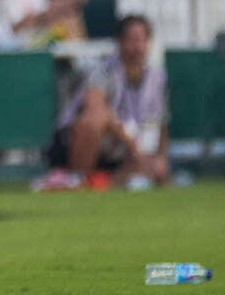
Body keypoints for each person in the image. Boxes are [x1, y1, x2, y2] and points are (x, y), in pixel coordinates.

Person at [43, 15, 169, 189]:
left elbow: (160, 124)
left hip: (124, 151)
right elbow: (96, 108)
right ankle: (79, 177)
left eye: (142, 40)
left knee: (159, 167)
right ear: (119, 42)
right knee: (93, 121)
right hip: (84, 144)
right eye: (131, 40)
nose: (137, 47)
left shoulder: (156, 77)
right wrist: (132, 145)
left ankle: (106, 181)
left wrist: (154, 158)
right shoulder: (103, 69)